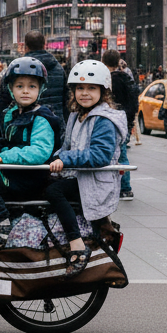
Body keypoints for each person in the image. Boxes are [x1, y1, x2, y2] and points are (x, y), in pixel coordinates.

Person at [0, 57, 62, 253]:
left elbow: (39, 151)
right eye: (20, 86)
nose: (25, 91)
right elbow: (1, 144)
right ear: (11, 88)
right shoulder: (12, 114)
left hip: (29, 178)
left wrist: (5, 158)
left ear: (40, 89)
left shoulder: (42, 118)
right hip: (12, 173)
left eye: (32, 86)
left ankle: (3, 228)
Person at [48, 60, 127, 275]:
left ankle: (77, 245)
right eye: (80, 88)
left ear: (104, 91)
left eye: (92, 88)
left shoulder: (104, 119)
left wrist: (65, 159)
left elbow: (100, 155)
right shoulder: (76, 115)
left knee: (54, 191)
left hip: (95, 181)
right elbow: (66, 147)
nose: (85, 93)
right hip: (80, 176)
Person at [0, 31, 65, 118]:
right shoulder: (58, 68)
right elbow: (65, 99)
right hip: (55, 121)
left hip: (25, 121)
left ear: (26, 47)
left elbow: (4, 101)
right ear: (44, 45)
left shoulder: (16, 70)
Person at [104, 49, 138, 200]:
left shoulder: (105, 80)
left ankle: (112, 186)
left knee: (108, 154)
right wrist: (130, 121)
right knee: (122, 155)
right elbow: (133, 101)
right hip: (124, 121)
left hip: (108, 120)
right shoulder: (127, 78)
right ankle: (125, 188)